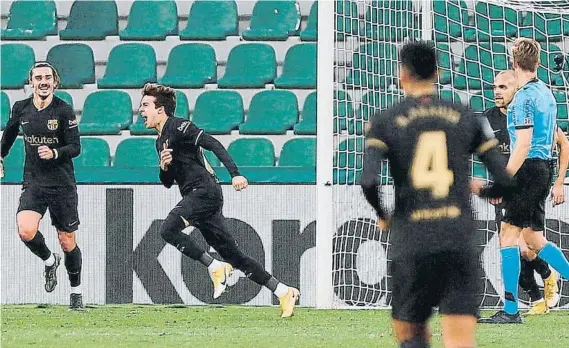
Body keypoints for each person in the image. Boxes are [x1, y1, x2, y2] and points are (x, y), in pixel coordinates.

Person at [361, 42, 514, 348]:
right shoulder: (467, 115)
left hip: (412, 238)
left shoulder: (385, 120)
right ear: (438, 73)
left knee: (412, 335)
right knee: (459, 341)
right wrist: (482, 189)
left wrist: (383, 216)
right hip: (458, 238)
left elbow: (368, 181)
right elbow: (505, 181)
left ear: (402, 75)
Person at [138, 83, 299, 318]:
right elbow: (167, 181)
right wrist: (164, 168)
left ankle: (215, 266)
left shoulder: (180, 126)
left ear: (160, 109)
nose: (141, 111)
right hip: (197, 197)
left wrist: (235, 173)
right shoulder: (159, 141)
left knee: (168, 229)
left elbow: (213, 144)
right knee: (235, 256)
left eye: (145, 105)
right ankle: (283, 291)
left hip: (204, 192)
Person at [478, 38, 569, 324]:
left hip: (528, 170)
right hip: (544, 169)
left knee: (507, 235)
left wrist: (503, 180)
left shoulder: (524, 98)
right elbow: (557, 141)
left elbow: (522, 145)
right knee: (532, 238)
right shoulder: (546, 93)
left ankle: (511, 310)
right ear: (538, 62)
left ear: (515, 63)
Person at [0, 62, 83, 310]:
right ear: (31, 82)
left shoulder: (64, 111)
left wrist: (55, 153)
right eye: (38, 78)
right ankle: (49, 260)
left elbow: (76, 147)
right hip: (34, 182)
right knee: (25, 230)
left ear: (55, 82)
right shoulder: (21, 108)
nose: (43, 81)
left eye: (48, 77)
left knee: (67, 241)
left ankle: (76, 292)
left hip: (62, 185)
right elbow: (9, 136)